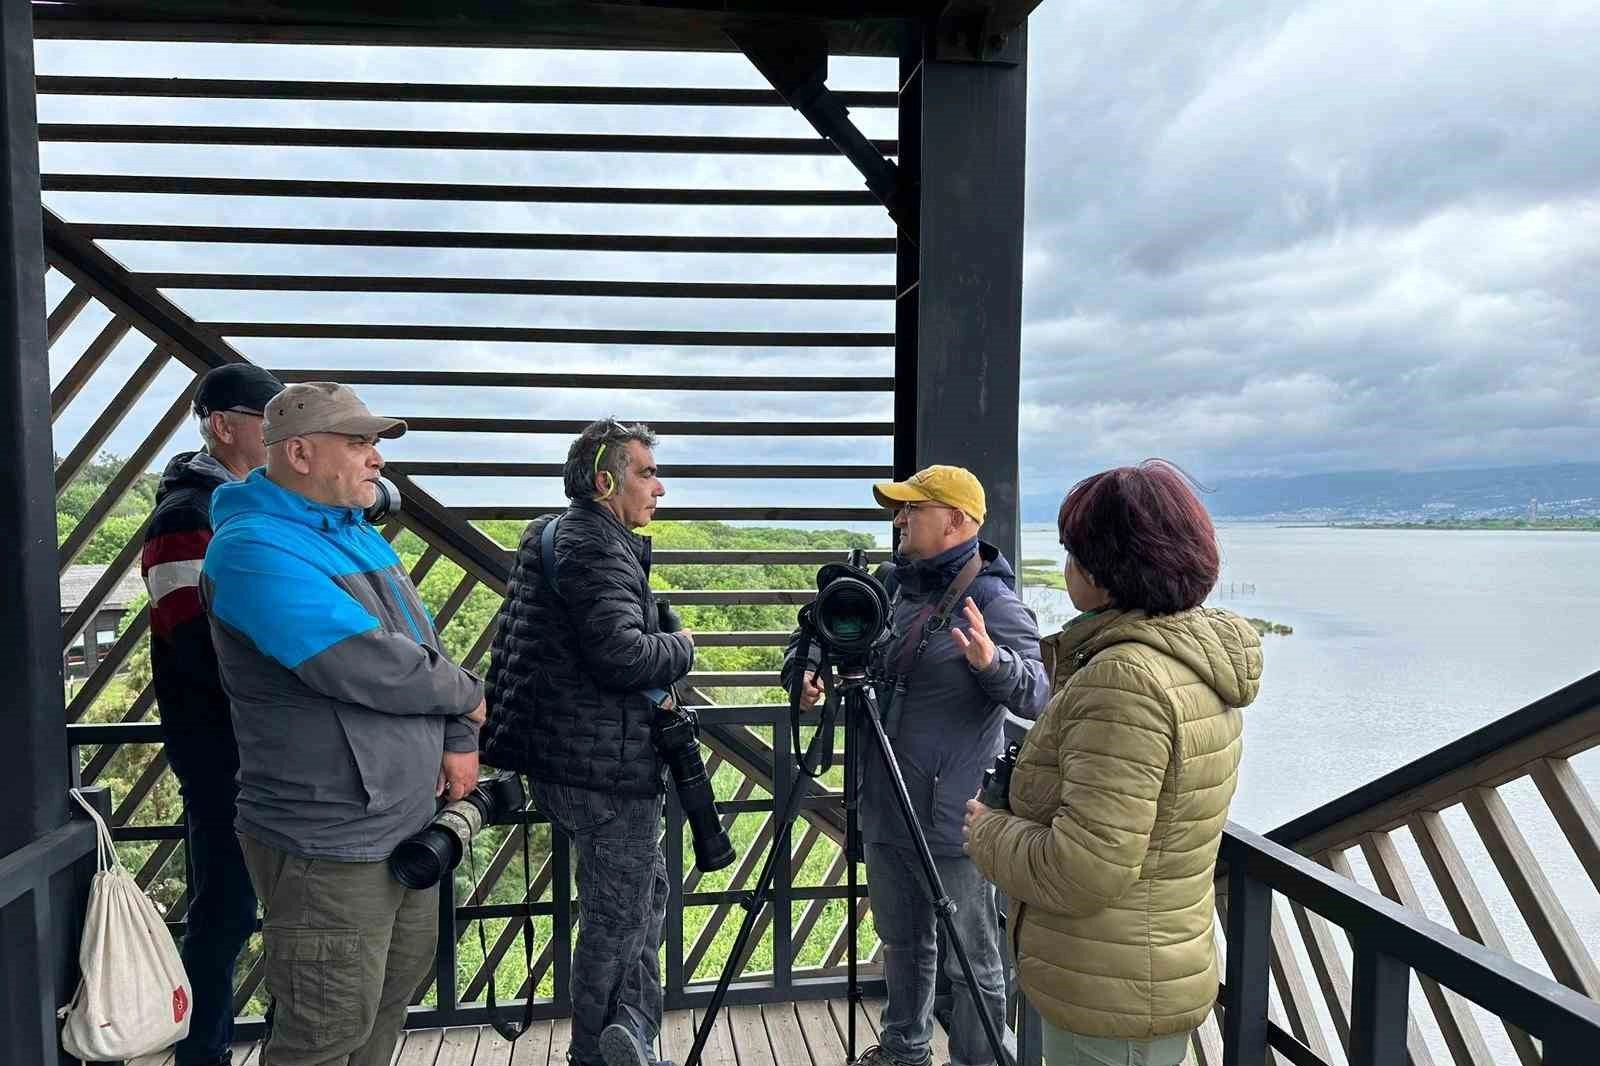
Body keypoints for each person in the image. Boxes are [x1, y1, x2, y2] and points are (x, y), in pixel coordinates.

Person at [200, 382, 486, 1066]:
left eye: (374, 444)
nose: (376, 459)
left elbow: (424, 646)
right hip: (328, 835)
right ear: (299, 453)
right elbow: (363, 662)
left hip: (406, 819)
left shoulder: (356, 535)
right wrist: (472, 699)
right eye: (358, 443)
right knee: (323, 1034)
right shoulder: (250, 549)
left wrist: (457, 736)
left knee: (385, 1006)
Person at [961, 461, 1263, 1066]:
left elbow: (1084, 868)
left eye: (1074, 553)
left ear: (1107, 570)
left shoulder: (1124, 680)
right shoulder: (1191, 659)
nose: (1068, 566)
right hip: (1143, 968)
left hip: (1111, 993)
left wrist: (987, 830)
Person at [785, 464, 1049, 1066]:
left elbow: (1039, 694)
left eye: (912, 508)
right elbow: (814, 637)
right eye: (898, 509)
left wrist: (993, 664)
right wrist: (801, 674)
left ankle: (978, 1060)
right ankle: (904, 1051)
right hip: (885, 802)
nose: (899, 519)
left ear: (956, 520)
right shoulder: (892, 588)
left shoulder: (992, 601)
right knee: (901, 942)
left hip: (954, 819)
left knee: (972, 959)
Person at [480, 418, 694, 1066]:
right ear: (605, 481)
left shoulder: (552, 535)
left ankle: (633, 1034)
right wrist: (681, 645)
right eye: (647, 473)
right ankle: (595, 1052)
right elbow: (623, 656)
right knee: (617, 918)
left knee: (643, 896)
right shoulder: (596, 546)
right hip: (605, 769)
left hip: (566, 761)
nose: (659, 488)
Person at [140, 363, 281, 1066]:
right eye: (268, 421)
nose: (280, 436)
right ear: (223, 426)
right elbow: (196, 640)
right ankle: (203, 1054)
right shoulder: (185, 516)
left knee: (247, 907)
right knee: (225, 910)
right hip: (222, 746)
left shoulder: (244, 507)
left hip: (247, 742)